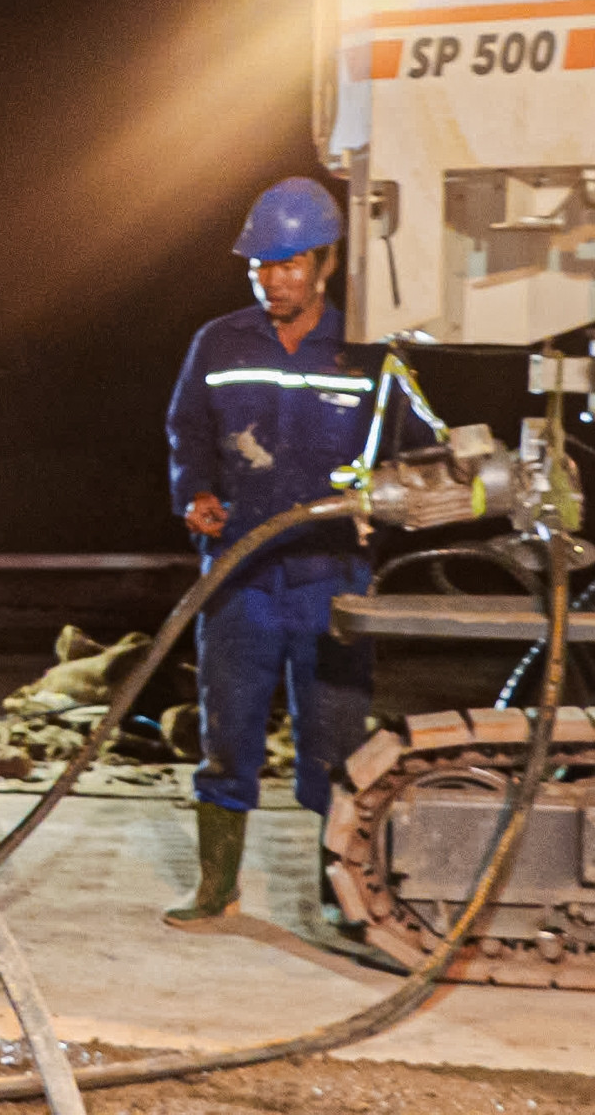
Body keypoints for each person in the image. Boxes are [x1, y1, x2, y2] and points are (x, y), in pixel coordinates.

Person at [163, 176, 425, 928]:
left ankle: (339, 893)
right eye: (261, 266)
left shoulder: (366, 349)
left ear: (326, 262)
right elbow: (187, 431)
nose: (274, 280)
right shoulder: (219, 341)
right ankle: (218, 887)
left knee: (337, 747)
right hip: (240, 575)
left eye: (289, 265)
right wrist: (196, 494)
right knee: (227, 736)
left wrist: (391, 499)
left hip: (332, 579)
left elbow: (415, 451)